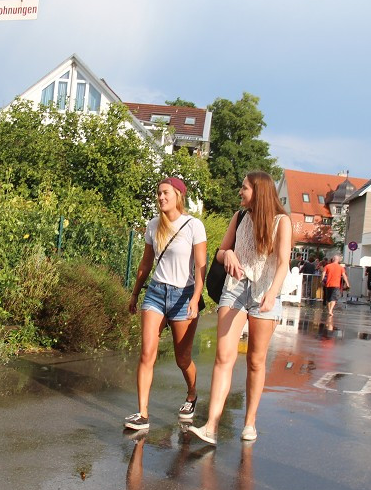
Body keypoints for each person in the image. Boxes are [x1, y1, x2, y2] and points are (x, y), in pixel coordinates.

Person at [188, 171, 292, 445]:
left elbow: (283, 263)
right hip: (234, 289)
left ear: (258, 191)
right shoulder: (240, 217)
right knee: (224, 357)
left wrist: (272, 294)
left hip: (265, 292)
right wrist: (229, 254)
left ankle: (250, 422)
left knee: (256, 361)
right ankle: (211, 425)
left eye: (244, 188)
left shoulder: (282, 222)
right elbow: (220, 253)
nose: (240, 192)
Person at [125, 177, 208, 431]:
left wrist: (195, 298)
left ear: (178, 195)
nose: (161, 198)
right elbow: (145, 264)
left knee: (182, 359)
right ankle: (142, 414)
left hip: (184, 296)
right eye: (158, 193)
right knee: (146, 353)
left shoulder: (194, 225)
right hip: (156, 293)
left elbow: (200, 267)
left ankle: (192, 393)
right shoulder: (153, 225)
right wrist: (135, 294)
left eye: (165, 193)